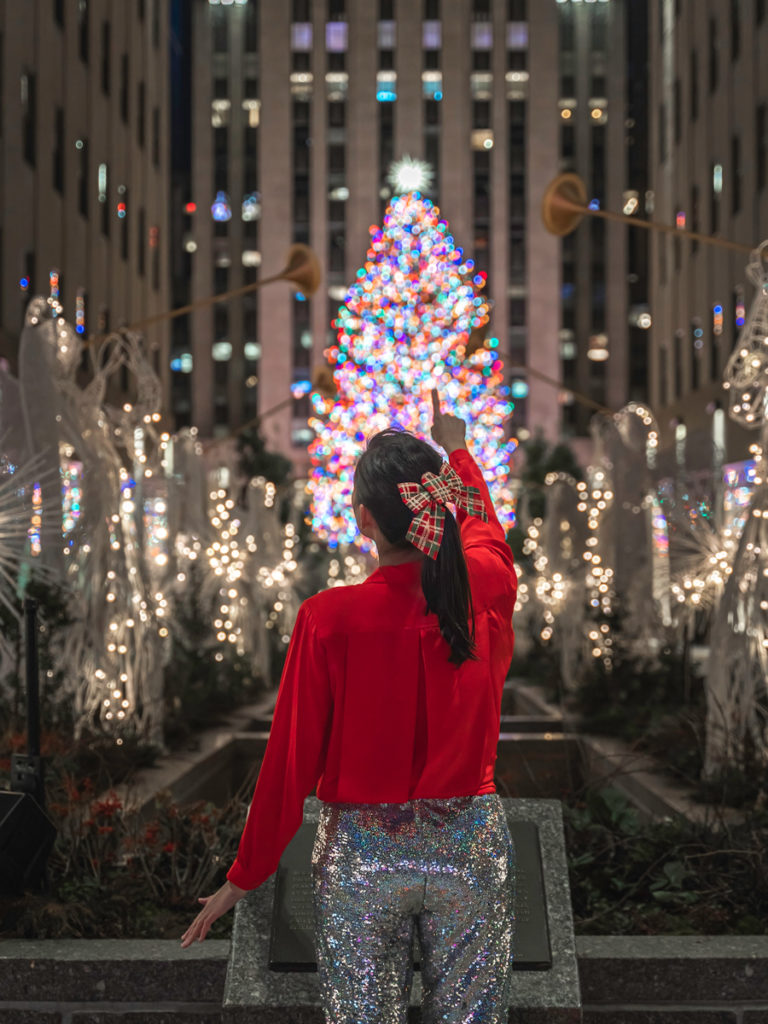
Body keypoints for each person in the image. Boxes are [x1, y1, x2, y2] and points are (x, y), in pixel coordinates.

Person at [182, 389, 517, 1024]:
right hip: (469, 845)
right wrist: (459, 450)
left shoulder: (328, 620)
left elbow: (289, 761)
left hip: (363, 860)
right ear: (441, 511)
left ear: (363, 519)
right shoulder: (483, 592)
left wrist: (245, 874)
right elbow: (486, 536)